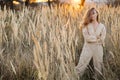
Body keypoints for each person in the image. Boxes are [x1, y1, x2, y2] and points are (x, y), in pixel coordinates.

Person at [75, 7, 106, 78]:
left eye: (94, 13)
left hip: (98, 48)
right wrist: (97, 39)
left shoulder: (102, 26)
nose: (92, 15)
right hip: (87, 48)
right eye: (90, 14)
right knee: (81, 66)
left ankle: (96, 78)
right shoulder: (86, 26)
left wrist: (95, 39)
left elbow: (102, 39)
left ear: (97, 14)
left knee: (98, 67)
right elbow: (87, 38)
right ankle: (75, 77)